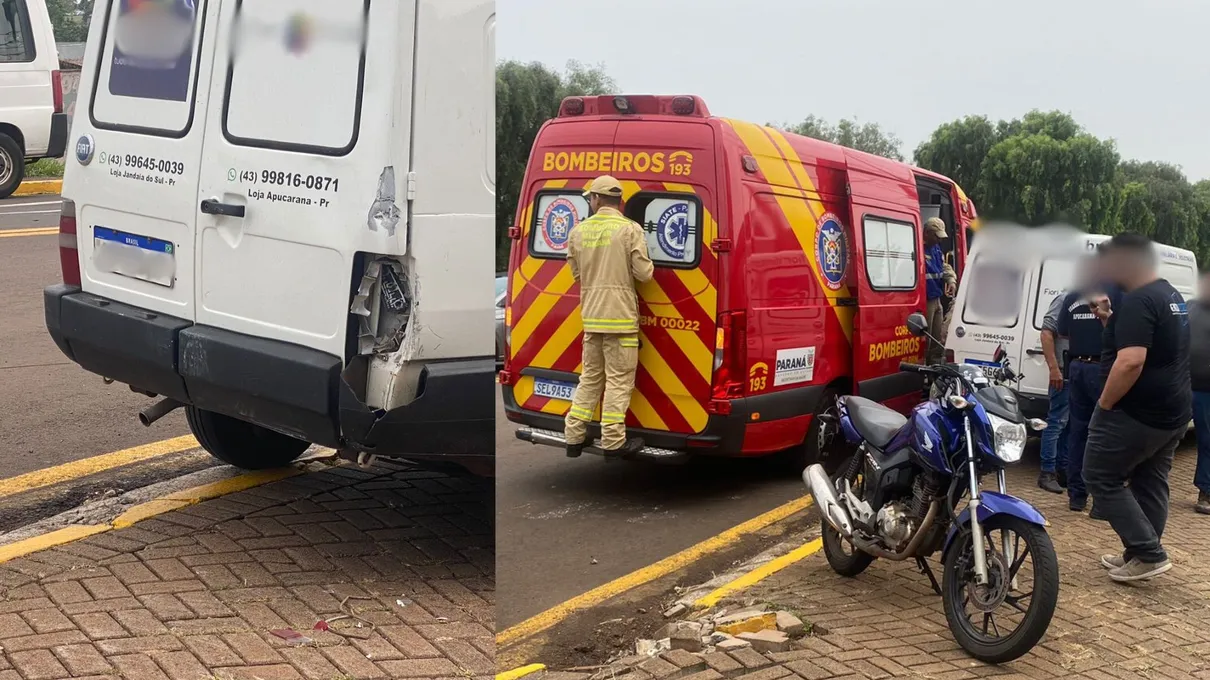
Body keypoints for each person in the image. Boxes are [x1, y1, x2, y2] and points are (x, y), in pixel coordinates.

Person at [1083, 233, 1190, 583]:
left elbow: (1131, 362)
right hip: (1173, 410)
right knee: (1150, 480)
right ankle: (1139, 553)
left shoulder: (1140, 301)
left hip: (1138, 412)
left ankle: (1148, 551)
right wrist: (1110, 320)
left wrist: (1105, 403)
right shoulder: (1168, 294)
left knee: (1100, 475)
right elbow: (1152, 343)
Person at [563, 175, 654, 458]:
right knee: (618, 381)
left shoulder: (578, 232)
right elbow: (644, 274)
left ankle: (573, 436)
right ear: (619, 201)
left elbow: (576, 274)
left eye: (590, 197)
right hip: (621, 319)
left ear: (597, 199)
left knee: (590, 378)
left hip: (592, 317)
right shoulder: (629, 230)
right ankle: (614, 441)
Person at [1059, 255, 1108, 512]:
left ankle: (1077, 497)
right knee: (1102, 433)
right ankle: (1101, 500)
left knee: (1077, 432)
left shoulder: (1071, 297)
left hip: (1076, 367)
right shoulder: (1109, 297)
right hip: (1101, 369)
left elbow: (1063, 332)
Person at [1038, 289, 1070, 494]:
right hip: (1062, 371)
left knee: (1069, 425)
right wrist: (1054, 368)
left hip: (1076, 372)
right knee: (1057, 422)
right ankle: (1046, 473)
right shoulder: (1066, 298)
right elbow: (1046, 332)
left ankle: (1062, 470)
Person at [1189, 271, 1210, 515]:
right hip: (1180, 384)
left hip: (1206, 390)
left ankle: (1205, 491)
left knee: (1207, 441)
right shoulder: (1189, 307)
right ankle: (1141, 482)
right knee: (1161, 436)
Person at [923, 217, 957, 365]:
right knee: (926, 339)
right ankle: (923, 369)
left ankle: (934, 372)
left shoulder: (936, 249)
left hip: (936, 298)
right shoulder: (918, 247)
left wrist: (951, 280)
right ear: (927, 233)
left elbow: (944, 267)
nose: (939, 240)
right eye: (936, 236)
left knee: (937, 338)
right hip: (925, 300)